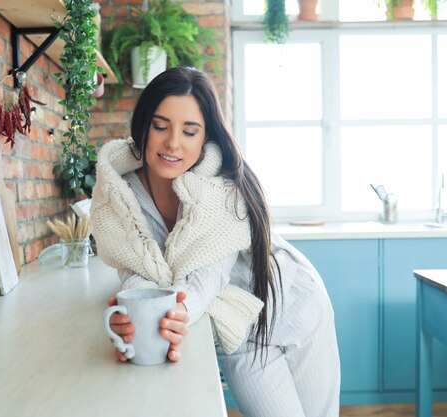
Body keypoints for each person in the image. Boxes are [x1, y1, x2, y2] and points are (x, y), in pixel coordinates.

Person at [90, 67, 340, 417]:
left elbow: (205, 281)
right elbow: (135, 268)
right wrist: (136, 318)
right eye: (161, 126)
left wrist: (171, 316)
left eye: (189, 131)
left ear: (205, 138)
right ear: (142, 126)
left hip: (294, 306)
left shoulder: (223, 189)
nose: (173, 143)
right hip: (240, 335)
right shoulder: (118, 191)